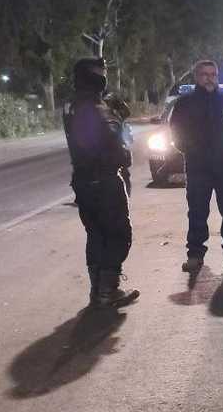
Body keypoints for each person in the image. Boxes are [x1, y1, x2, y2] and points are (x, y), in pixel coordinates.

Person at [62, 57, 140, 308]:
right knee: (117, 234)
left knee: (96, 235)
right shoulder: (94, 108)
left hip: (84, 181)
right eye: (100, 72)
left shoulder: (73, 105)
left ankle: (98, 290)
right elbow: (110, 143)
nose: (103, 77)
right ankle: (108, 290)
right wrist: (123, 150)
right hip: (103, 180)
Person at [170, 60, 223, 272]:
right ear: (196, 77)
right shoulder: (185, 103)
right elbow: (176, 133)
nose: (209, 78)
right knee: (197, 212)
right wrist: (191, 151)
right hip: (198, 167)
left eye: (213, 74)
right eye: (205, 74)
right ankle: (195, 255)